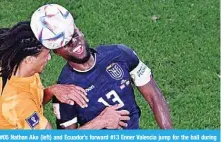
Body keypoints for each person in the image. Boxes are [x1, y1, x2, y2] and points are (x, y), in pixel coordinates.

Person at [33, 4, 173, 129]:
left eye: (74, 34)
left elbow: (154, 96)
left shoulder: (119, 54)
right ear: (57, 51)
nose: (75, 42)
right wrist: (100, 122)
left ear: (80, 30)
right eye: (66, 43)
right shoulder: (66, 91)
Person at [0, 21, 130, 129]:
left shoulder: (11, 63)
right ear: (29, 60)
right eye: (46, 54)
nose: (49, 58)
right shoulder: (18, 105)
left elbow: (33, 98)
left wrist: (52, 90)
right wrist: (101, 121)